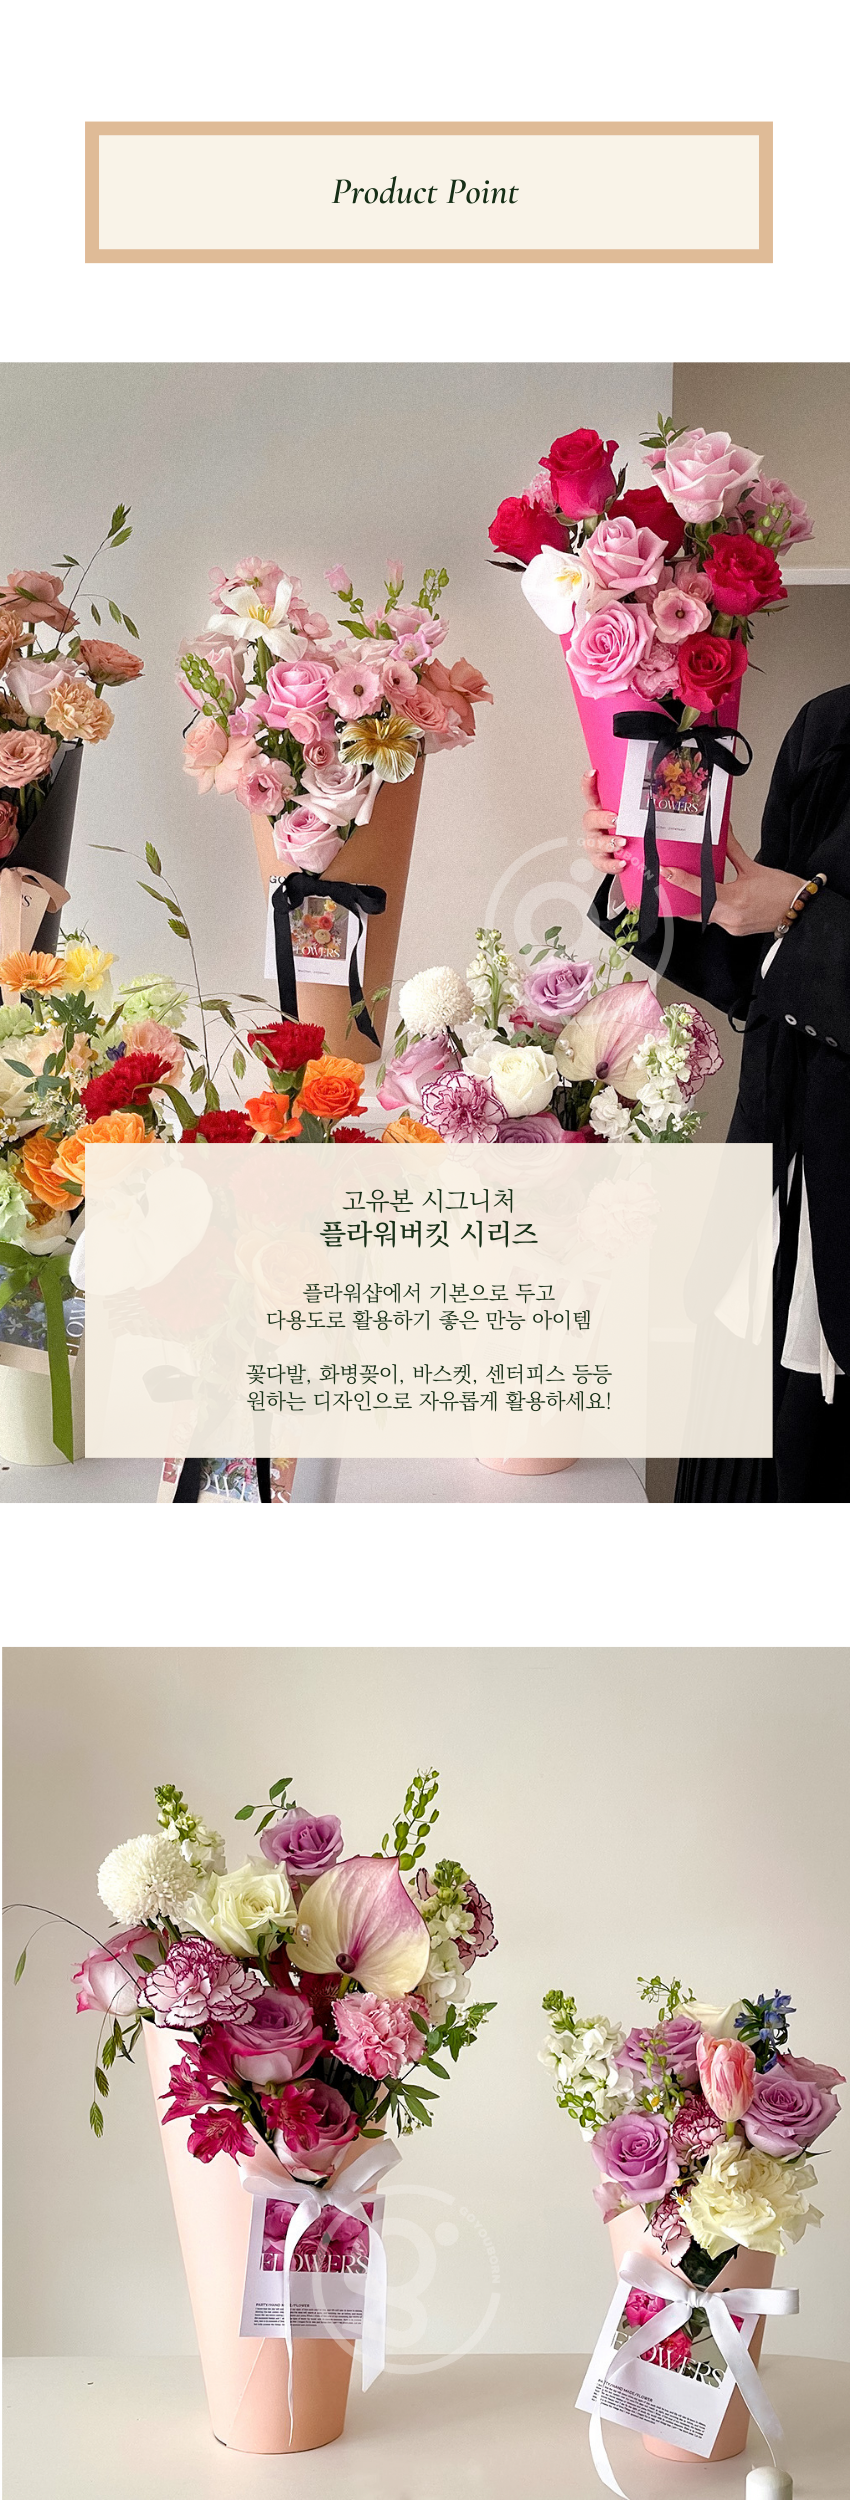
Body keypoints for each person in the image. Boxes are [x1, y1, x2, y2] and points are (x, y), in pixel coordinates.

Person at [582, 683, 850, 1502]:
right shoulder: (831, 725)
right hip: (770, 1193)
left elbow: (793, 926)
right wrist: (641, 876)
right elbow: (760, 968)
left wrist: (803, 914)